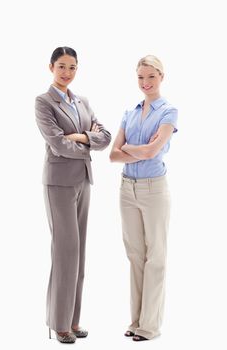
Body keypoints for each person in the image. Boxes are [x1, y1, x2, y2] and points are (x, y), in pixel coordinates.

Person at [35, 46, 111, 344]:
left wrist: (81, 136)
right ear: (51, 67)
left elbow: (104, 137)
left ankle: (73, 319)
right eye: (62, 66)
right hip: (59, 183)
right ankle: (59, 323)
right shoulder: (44, 102)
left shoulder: (83, 101)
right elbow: (57, 144)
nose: (67, 72)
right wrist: (86, 143)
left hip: (83, 181)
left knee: (78, 253)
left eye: (73, 67)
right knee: (65, 252)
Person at [109, 55, 178, 341]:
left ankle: (149, 327)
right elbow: (113, 154)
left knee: (156, 258)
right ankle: (136, 321)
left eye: (151, 76)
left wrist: (131, 148)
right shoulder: (130, 111)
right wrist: (140, 148)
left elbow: (152, 153)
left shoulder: (169, 111)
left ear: (161, 76)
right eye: (140, 77)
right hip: (127, 189)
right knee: (136, 256)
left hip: (154, 189)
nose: (145, 83)